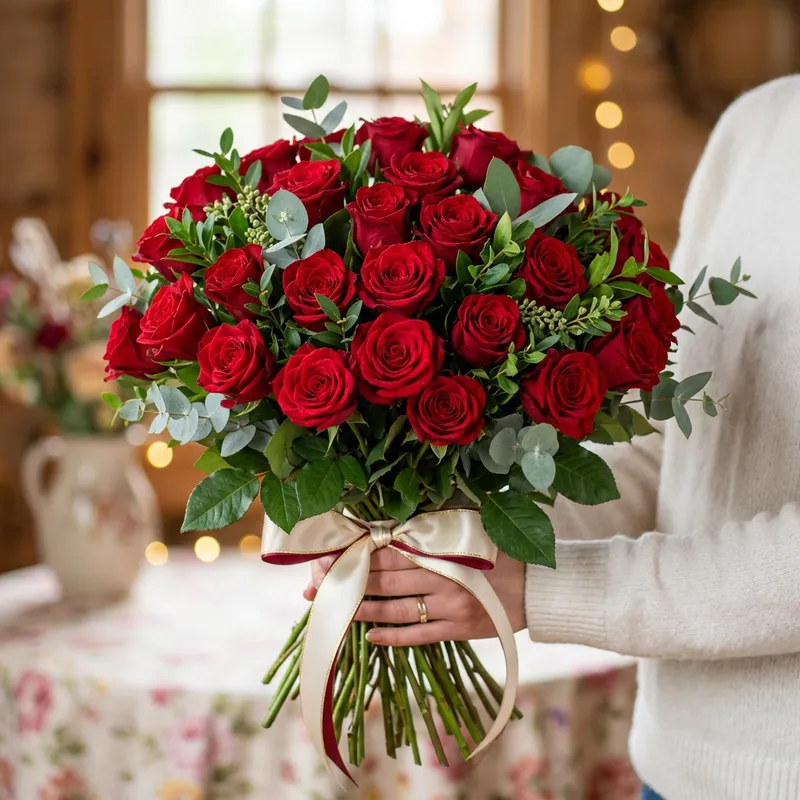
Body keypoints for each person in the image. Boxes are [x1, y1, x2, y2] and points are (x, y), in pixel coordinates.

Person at [306, 76, 800, 799]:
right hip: (673, 766)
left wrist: (540, 587)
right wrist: (458, 540)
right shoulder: (758, 122)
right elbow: (667, 451)